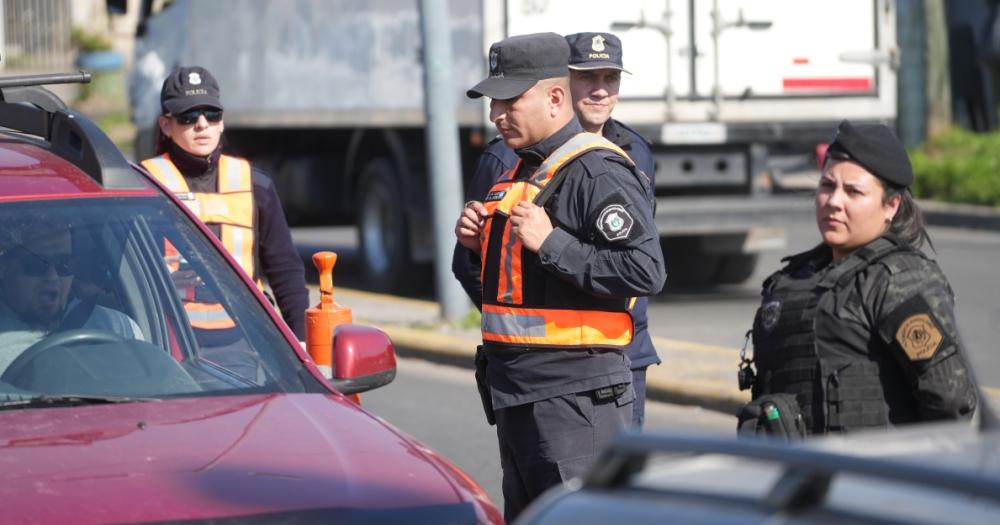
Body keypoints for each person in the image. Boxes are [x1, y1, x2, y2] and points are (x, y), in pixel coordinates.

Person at [456, 33, 665, 519]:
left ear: (554, 98)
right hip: (521, 396)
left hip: (576, 399)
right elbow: (513, 293)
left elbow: (645, 269)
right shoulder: (517, 174)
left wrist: (553, 243)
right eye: (493, 103)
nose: (496, 115)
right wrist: (475, 249)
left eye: (509, 101)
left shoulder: (597, 171)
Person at [738, 120, 978, 438]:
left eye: (853, 192)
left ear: (890, 206)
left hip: (876, 479)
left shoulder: (899, 280)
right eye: (827, 186)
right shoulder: (794, 278)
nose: (834, 201)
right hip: (805, 476)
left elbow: (950, 400)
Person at [141, 66, 308, 340]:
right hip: (171, 343)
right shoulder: (144, 185)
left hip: (249, 343)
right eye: (188, 116)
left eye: (211, 114)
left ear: (222, 122)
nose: (202, 124)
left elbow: (285, 270)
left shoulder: (256, 185)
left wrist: (302, 341)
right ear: (166, 126)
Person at [0, 216, 142, 375]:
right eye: (37, 264)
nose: (53, 276)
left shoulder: (119, 328)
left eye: (63, 264)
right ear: (4, 267)